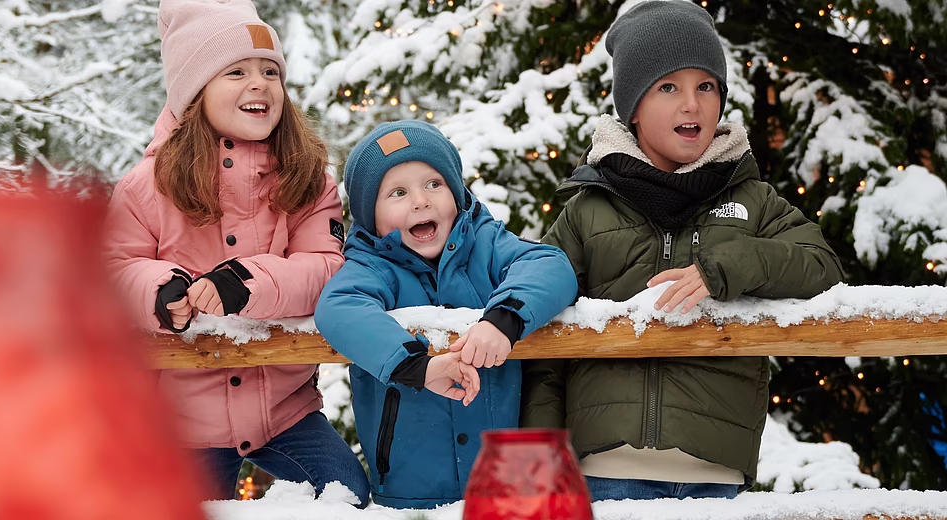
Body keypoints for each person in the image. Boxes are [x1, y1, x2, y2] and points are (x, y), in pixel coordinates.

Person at [521, 0, 846, 501]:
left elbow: (822, 267)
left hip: (713, 474)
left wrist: (730, 265)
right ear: (633, 105)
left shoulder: (752, 200)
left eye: (706, 86)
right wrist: (541, 454)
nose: (691, 104)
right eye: (668, 87)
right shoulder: (588, 211)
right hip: (605, 471)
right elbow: (544, 340)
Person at [103, 0, 368, 506]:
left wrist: (251, 282)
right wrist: (159, 291)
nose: (260, 82)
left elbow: (328, 267)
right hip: (178, 420)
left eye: (271, 70)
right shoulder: (147, 186)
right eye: (237, 70)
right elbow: (113, 269)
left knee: (344, 497)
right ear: (194, 90)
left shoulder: (307, 180)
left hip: (285, 412)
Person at [314, 120, 578, 509]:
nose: (421, 201)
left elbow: (550, 265)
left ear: (456, 192)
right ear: (371, 214)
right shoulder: (373, 265)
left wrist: (502, 321)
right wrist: (419, 367)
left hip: (504, 481)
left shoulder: (484, 243)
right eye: (398, 192)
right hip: (412, 485)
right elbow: (339, 308)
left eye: (433, 184)